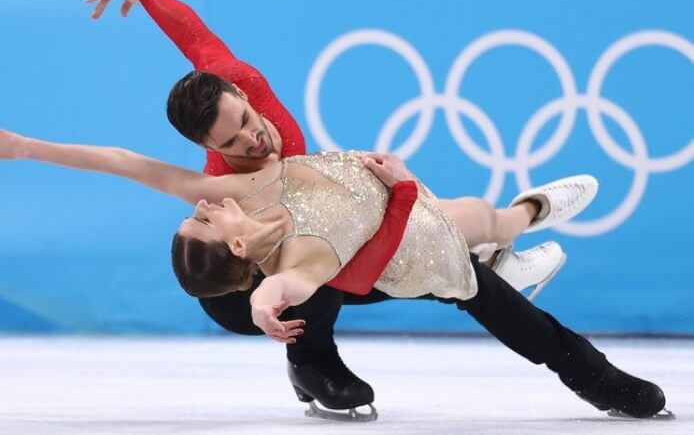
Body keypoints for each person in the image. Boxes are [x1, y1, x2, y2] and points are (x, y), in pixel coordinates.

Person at [76, 0, 568, 419]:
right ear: (208, 148)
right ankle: (315, 364)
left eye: (246, 123)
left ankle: (506, 236)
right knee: (317, 271)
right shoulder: (226, 193)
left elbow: (193, 35)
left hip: (310, 247)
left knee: (435, 226)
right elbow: (124, 163)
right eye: (231, 145)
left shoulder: (239, 82)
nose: (253, 142)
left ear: (242, 97)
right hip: (235, 288)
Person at [0, 128, 668, 420]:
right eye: (202, 220)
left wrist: (25, 148)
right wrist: (265, 304)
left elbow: (122, 161)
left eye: (195, 213)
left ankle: (529, 220)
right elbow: (278, 288)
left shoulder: (244, 184)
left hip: (364, 257)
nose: (200, 204)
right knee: (352, 286)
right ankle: (314, 363)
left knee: (469, 241)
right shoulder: (285, 265)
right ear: (232, 245)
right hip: (277, 290)